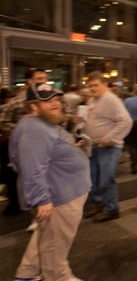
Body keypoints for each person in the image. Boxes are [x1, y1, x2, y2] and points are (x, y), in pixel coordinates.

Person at [10, 83, 90, 281]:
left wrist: (72, 145)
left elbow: (49, 151)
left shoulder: (42, 123)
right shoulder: (34, 129)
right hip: (61, 196)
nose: (55, 104)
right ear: (33, 106)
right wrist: (41, 199)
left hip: (65, 190)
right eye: (47, 100)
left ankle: (27, 273)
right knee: (55, 245)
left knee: (47, 237)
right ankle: (58, 277)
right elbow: (32, 167)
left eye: (56, 99)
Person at [83, 71, 132, 222]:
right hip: (93, 146)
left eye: (95, 85)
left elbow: (126, 121)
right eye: (90, 86)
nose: (92, 88)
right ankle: (98, 204)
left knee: (106, 178)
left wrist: (109, 138)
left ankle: (111, 209)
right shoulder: (92, 99)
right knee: (94, 178)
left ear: (104, 84)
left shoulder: (111, 99)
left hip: (108, 147)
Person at [0, 68, 48, 216]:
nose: (43, 81)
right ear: (29, 81)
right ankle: (17, 204)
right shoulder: (18, 101)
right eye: (39, 78)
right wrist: (21, 131)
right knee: (15, 175)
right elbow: (3, 121)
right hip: (19, 145)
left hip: (40, 145)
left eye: (45, 78)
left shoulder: (46, 100)